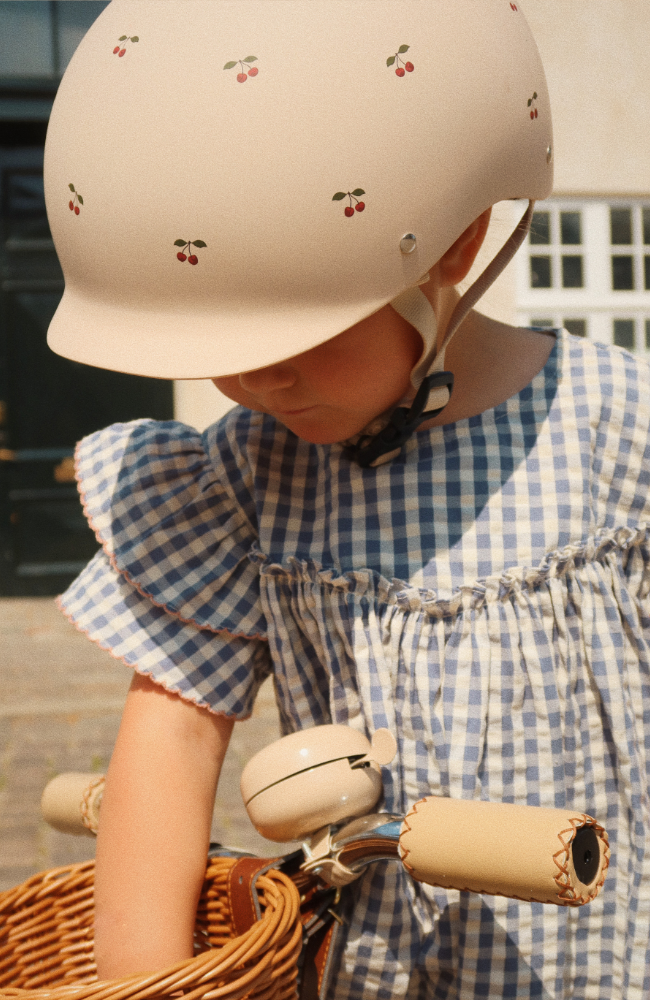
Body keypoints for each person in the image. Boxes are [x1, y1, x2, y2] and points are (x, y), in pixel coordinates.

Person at [44, 1, 650, 997]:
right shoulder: (239, 480)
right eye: (224, 357)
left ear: (452, 246)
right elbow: (168, 744)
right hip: (378, 972)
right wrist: (141, 982)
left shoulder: (614, 429)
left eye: (294, 339)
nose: (257, 385)